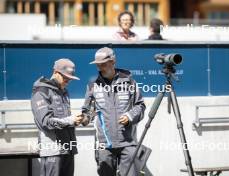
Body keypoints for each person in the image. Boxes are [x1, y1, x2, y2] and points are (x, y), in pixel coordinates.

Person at [82, 47, 146, 176]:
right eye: (98, 65)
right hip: (104, 144)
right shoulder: (92, 85)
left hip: (128, 142)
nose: (100, 67)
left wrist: (129, 116)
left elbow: (140, 106)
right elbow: (88, 110)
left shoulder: (129, 82)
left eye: (103, 64)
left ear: (113, 62)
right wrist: (84, 118)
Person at [31, 58, 84, 176]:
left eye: (70, 79)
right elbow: (45, 122)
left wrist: (77, 120)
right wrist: (70, 120)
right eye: (65, 78)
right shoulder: (41, 91)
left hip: (68, 149)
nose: (68, 81)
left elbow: (64, 120)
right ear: (55, 72)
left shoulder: (64, 92)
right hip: (52, 151)